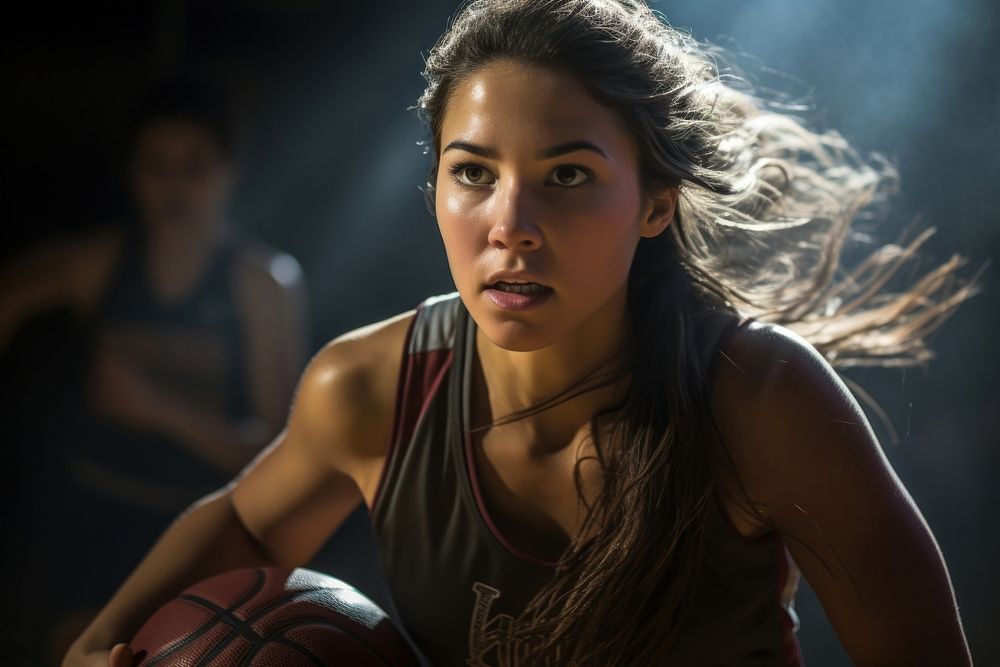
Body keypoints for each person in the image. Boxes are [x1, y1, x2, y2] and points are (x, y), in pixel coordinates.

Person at [62, 0, 978, 665]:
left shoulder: (760, 401)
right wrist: (100, 644)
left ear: (655, 204)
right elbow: (248, 526)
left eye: (569, 174)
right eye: (473, 172)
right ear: (437, 193)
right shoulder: (370, 387)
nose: (511, 222)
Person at [0, 77, 309, 664]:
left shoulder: (263, 284)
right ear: (133, 171)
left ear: (229, 171)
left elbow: (278, 458)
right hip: (91, 519)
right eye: (156, 165)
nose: (173, 186)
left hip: (198, 531)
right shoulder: (98, 263)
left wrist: (160, 408)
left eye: (193, 165)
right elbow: (13, 291)